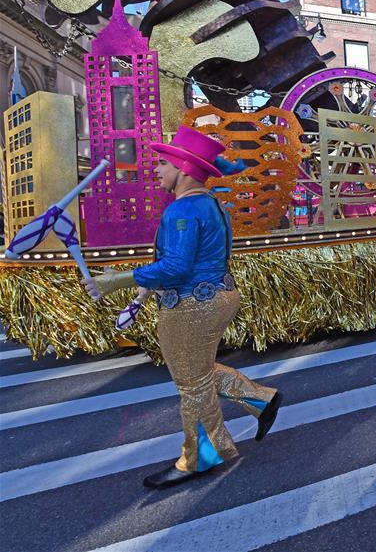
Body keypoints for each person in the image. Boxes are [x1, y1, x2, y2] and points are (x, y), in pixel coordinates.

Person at [82, 126, 282, 489]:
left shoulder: (183, 210)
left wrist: (117, 281)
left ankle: (199, 458)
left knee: (191, 384)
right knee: (199, 375)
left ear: (185, 170)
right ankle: (260, 399)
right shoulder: (209, 203)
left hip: (193, 305)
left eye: (162, 163)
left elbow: (176, 267)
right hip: (213, 297)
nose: (156, 170)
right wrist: (142, 292)